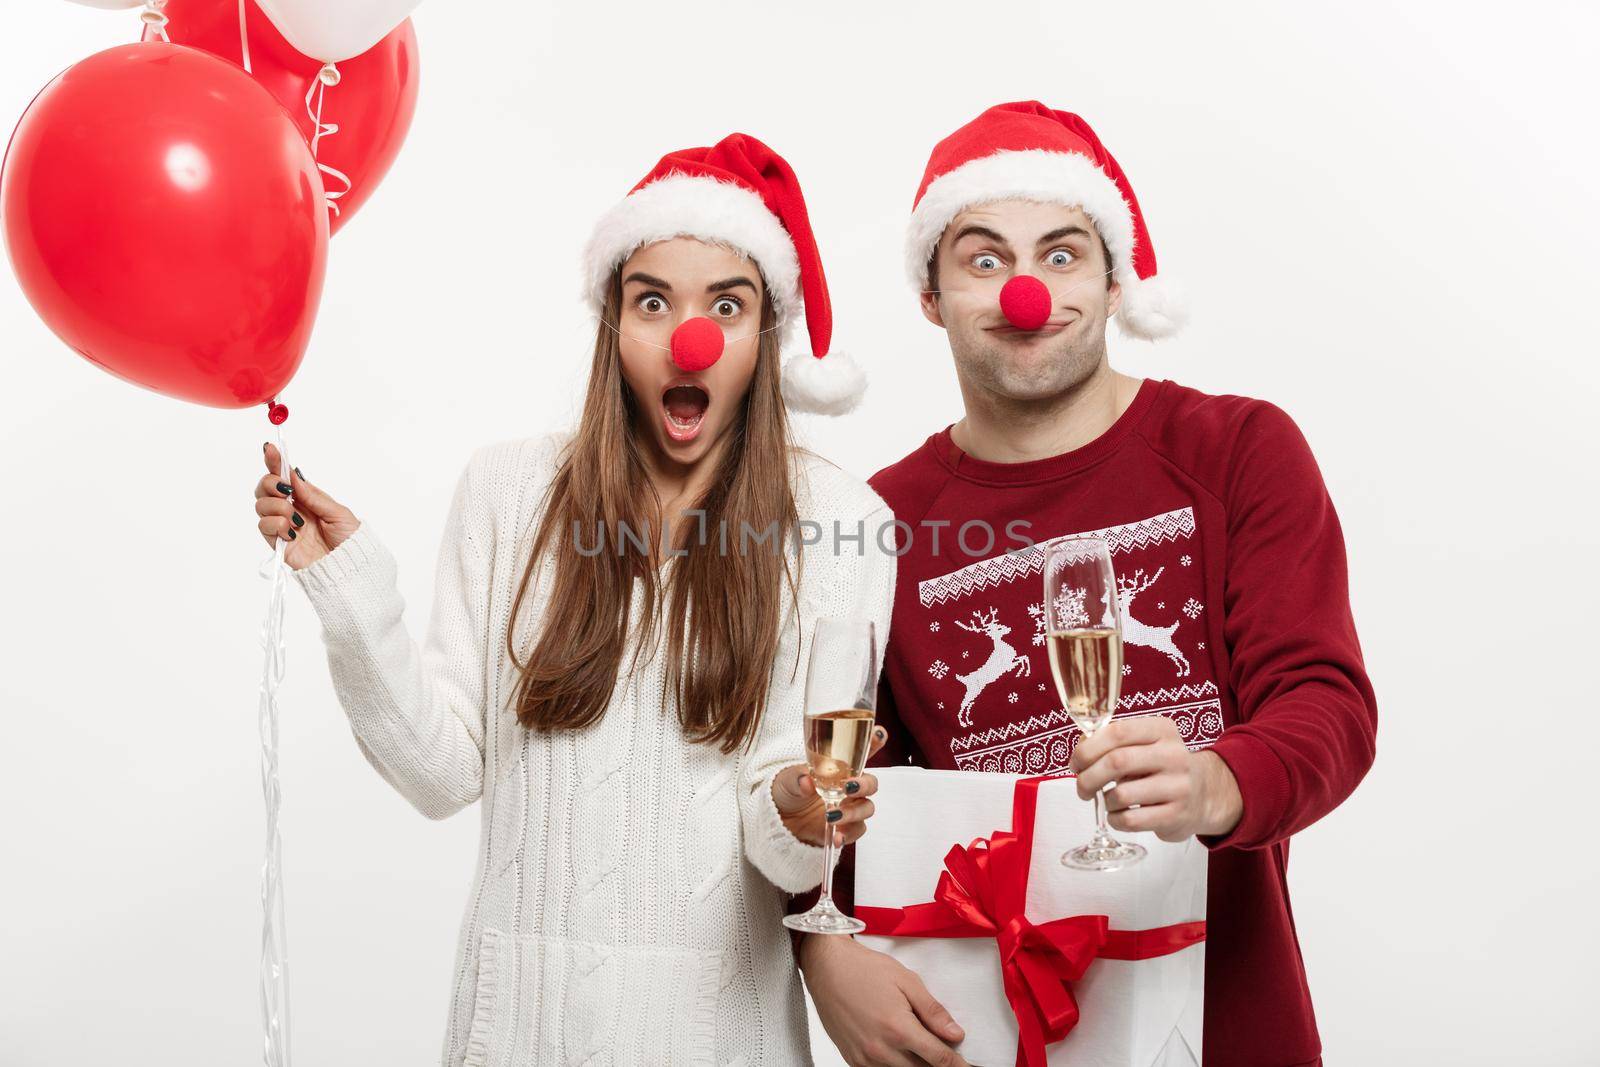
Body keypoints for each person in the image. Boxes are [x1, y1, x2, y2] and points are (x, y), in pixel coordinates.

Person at [252, 133, 895, 1066]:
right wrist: (352, 593)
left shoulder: (841, 518)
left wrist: (801, 809)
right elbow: (440, 774)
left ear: (765, 334)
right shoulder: (508, 491)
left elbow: (787, 849)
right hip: (519, 1033)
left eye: (727, 304)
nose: (692, 338)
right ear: (611, 321)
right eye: (652, 302)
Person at [798, 101, 1378, 1067]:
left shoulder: (1237, 452)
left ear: (1114, 282)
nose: (1027, 291)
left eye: (1062, 254)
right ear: (931, 297)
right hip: (978, 1036)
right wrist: (822, 950)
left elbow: (1328, 705)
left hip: (1225, 1026)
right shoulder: (874, 521)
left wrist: (1216, 779)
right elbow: (842, 793)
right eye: (984, 260)